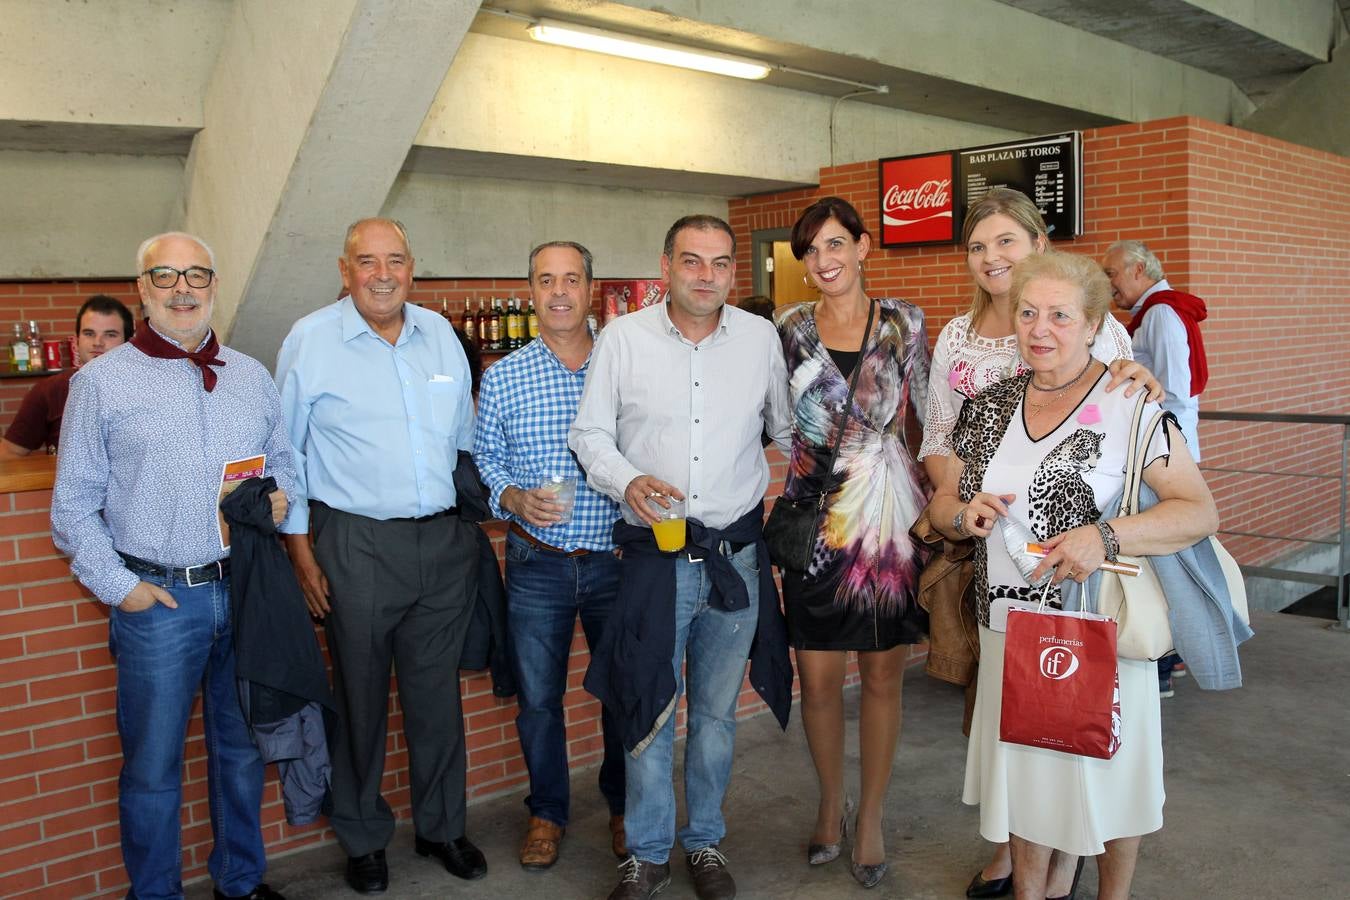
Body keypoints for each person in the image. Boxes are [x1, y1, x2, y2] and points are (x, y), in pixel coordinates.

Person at [928, 250, 1218, 900]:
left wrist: (1106, 533)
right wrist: (962, 512)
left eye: (1060, 314)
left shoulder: (1132, 403)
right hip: (1011, 631)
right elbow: (943, 505)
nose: (1040, 328)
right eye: (1029, 312)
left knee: (1112, 783)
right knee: (1029, 787)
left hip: (1101, 633)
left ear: (1093, 325)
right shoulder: (992, 406)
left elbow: (1198, 510)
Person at [51, 232, 293, 900]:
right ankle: (155, 894)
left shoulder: (250, 374)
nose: (182, 288)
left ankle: (239, 882)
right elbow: (71, 507)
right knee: (153, 769)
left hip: (241, 592)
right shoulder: (100, 383)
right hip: (157, 602)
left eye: (196, 274)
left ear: (215, 285)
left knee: (240, 754)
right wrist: (121, 589)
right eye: (165, 275)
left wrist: (278, 501)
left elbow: (286, 463)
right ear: (142, 290)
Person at [570, 214, 794, 900]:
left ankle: (703, 843)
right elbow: (589, 435)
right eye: (692, 262)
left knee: (718, 718)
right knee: (648, 709)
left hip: (735, 559)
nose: (707, 275)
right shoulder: (623, 338)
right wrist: (627, 481)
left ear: (735, 271)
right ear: (666, 265)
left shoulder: (759, 340)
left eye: (721, 263)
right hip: (656, 562)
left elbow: (788, 429)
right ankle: (646, 851)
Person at [275, 218, 484, 895]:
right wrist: (302, 554)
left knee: (436, 698)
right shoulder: (311, 341)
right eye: (368, 261)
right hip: (355, 544)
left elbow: (463, 441)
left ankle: (442, 827)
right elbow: (287, 461)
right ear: (345, 269)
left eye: (395, 259)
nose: (383, 273)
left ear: (412, 265)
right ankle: (362, 837)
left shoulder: (440, 336)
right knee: (359, 698)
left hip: (440, 543)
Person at [772, 197, 928, 889]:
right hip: (815, 522)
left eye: (836, 244)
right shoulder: (786, 329)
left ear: (863, 247)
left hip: (888, 523)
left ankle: (870, 815)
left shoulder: (906, 323)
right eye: (811, 251)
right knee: (820, 682)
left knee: (884, 676)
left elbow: (930, 413)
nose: (824, 261)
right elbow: (772, 419)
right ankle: (830, 801)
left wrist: (938, 499)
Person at [472, 240, 627, 870]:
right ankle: (547, 812)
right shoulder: (503, 375)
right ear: (531, 291)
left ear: (591, 289)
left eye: (571, 279)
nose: (559, 292)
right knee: (539, 700)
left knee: (624, 693)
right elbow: (486, 462)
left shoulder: (624, 364)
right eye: (545, 280)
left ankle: (623, 806)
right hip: (537, 562)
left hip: (618, 558)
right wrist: (510, 495)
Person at [1103, 239, 1209, 697]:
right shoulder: (1153, 313)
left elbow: (1177, 392)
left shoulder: (1162, 314)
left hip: (1160, 458)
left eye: (1113, 274)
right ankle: (1174, 655)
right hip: (1158, 454)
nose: (1110, 285)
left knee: (1158, 561)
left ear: (1139, 269)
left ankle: (1160, 664)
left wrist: (1165, 458)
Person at [1, 294, 133, 458]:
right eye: (89, 333)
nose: (98, 342)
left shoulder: (146, 390)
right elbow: (10, 452)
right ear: (77, 340)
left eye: (110, 334)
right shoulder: (49, 391)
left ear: (128, 342)